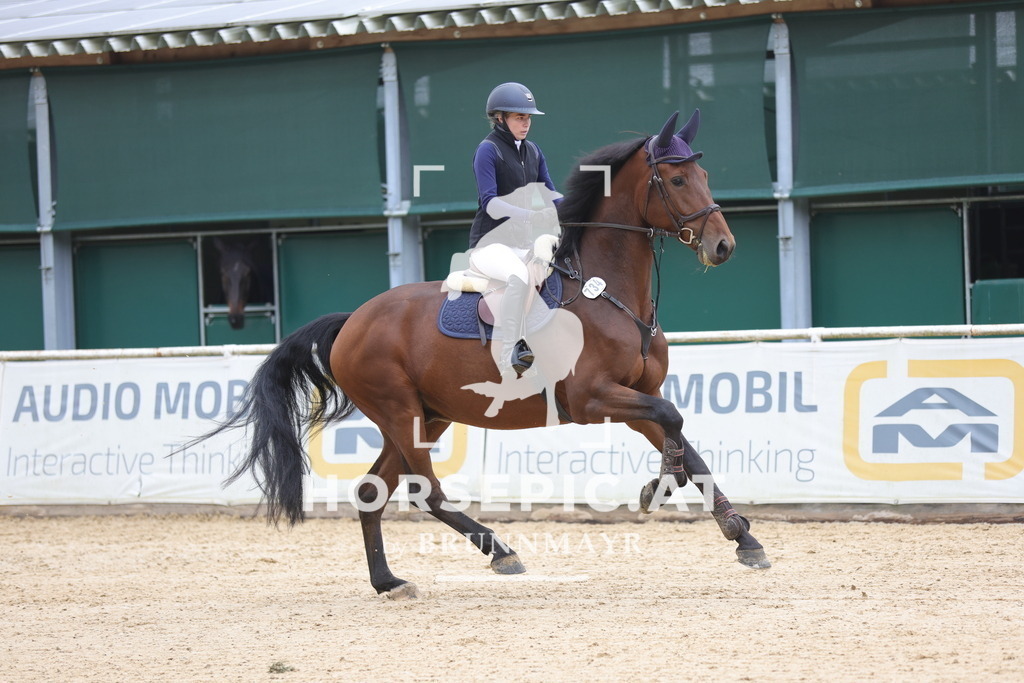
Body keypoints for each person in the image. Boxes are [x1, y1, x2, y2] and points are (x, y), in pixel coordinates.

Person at [468, 82, 561, 376]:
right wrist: (529, 216)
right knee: (519, 276)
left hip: (523, 245)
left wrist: (582, 203)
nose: (526, 123)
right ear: (500, 119)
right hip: (489, 245)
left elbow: (550, 193)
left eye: (528, 118)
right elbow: (490, 204)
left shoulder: (533, 150)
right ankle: (508, 349)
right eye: (519, 118)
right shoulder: (488, 150)